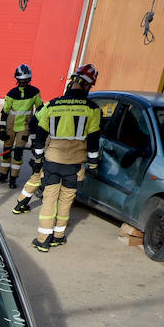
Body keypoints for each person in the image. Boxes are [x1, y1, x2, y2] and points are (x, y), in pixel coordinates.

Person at [28, 64, 102, 252]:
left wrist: (37, 159)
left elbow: (39, 133)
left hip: (52, 161)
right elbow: (94, 139)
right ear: (86, 86)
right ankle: (58, 236)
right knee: (66, 200)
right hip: (75, 165)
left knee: (49, 199)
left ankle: (43, 239)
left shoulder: (52, 105)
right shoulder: (92, 109)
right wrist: (93, 163)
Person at [0, 64, 44, 188]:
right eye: (21, 80)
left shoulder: (35, 92)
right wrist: (2, 129)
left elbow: (40, 109)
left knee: (18, 153)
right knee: (6, 152)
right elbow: (4, 112)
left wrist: (36, 125)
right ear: (17, 80)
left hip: (25, 127)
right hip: (10, 127)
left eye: (25, 80)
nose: (23, 83)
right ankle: (3, 175)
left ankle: (13, 178)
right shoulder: (11, 93)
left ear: (29, 80)